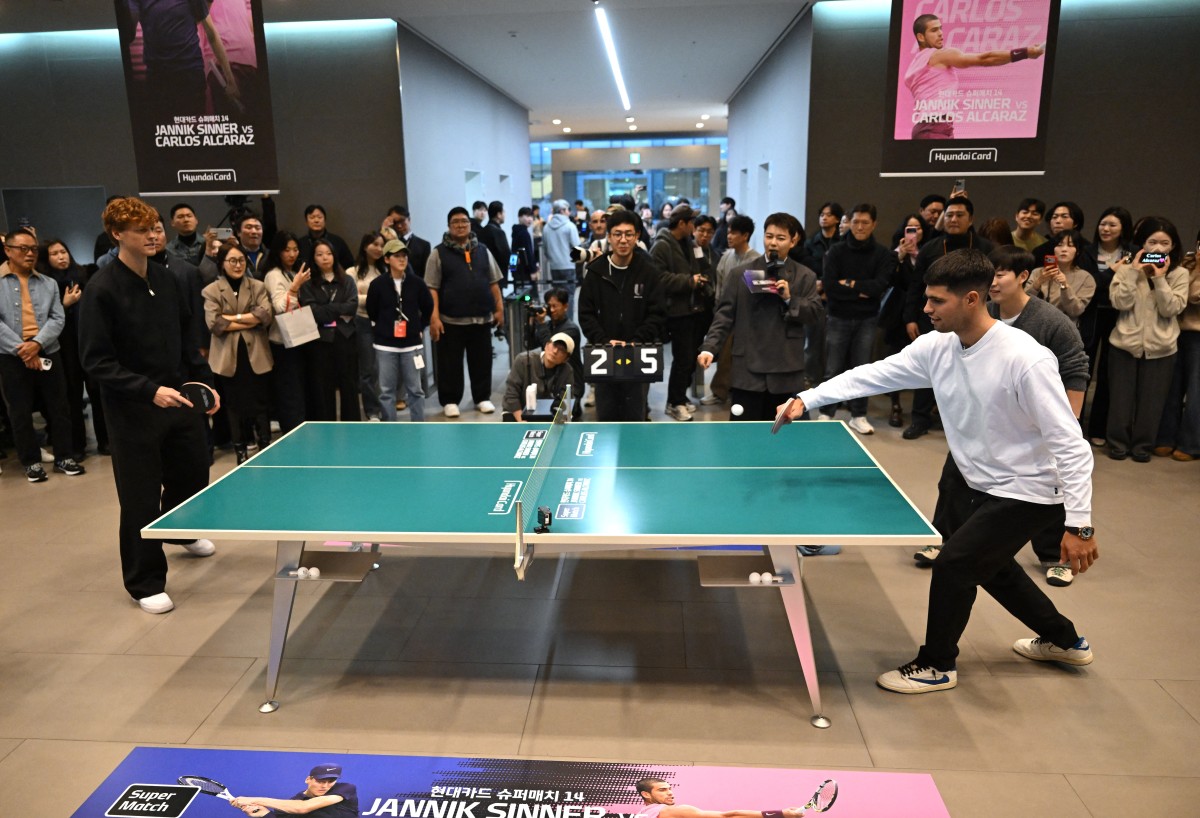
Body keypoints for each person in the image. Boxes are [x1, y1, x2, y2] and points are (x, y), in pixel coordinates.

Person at [779, 248, 1098, 693]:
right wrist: (807, 399)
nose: (925, 308)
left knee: (954, 565)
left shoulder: (1025, 358)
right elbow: (873, 375)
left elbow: (1071, 445)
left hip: (1030, 489)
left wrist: (1079, 526)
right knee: (993, 566)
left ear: (972, 299)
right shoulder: (938, 345)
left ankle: (937, 664)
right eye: (925, 299)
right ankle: (1066, 640)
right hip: (977, 481)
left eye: (936, 301)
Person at [914, 247, 1091, 587]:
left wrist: (1066, 420)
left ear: (1023, 277)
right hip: (986, 428)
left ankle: (1054, 555)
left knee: (1043, 492)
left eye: (1000, 274)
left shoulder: (1048, 323)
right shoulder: (979, 315)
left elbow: (1075, 368)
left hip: (1033, 430)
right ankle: (947, 540)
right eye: (989, 275)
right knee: (954, 483)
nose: (992, 282)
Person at [79, 197, 219, 615]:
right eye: (144, 230)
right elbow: (96, 361)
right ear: (118, 235)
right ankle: (144, 581)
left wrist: (205, 385)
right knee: (139, 496)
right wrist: (146, 390)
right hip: (133, 408)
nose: (155, 234)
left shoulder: (168, 277)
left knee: (194, 470)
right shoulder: (101, 289)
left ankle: (180, 530)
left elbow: (187, 338)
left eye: (156, 227)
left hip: (178, 397)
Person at [697, 212, 822, 422]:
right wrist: (710, 347)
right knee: (744, 438)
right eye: (768, 236)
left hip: (787, 370)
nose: (773, 243)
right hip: (748, 370)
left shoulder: (805, 276)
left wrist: (790, 299)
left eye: (780, 238)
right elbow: (724, 315)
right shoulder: (740, 274)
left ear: (794, 241)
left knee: (789, 438)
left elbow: (815, 314)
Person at [900, 197, 993, 439]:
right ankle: (920, 419)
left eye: (959, 215)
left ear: (971, 219)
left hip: (972, 323)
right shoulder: (931, 247)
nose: (953, 219)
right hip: (935, 320)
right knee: (929, 368)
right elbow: (914, 287)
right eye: (949, 215)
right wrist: (910, 317)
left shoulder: (985, 247)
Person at [1106, 217, 1190, 462]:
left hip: (1161, 347)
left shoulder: (1180, 273)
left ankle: (1143, 447)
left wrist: (1159, 278)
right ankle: (1117, 444)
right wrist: (1133, 272)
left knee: (1152, 404)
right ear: (1142, 245)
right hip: (1124, 343)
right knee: (1120, 402)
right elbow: (1120, 303)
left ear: (1173, 246)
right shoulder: (1126, 270)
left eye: (1164, 243)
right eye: (1152, 242)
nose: (1158, 249)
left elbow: (1171, 309)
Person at [1, 228, 81, 482]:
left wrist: (36, 343)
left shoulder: (48, 283)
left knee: (59, 407)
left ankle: (64, 457)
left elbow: (57, 318)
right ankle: (31, 461)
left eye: (34, 249)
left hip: (47, 351)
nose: (29, 254)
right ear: (8, 251)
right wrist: (22, 349)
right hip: (12, 356)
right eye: (23, 249)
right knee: (20, 410)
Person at [578, 209, 666, 422]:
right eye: (617, 234)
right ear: (609, 237)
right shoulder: (596, 271)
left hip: (637, 352)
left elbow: (657, 313)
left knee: (635, 414)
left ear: (637, 237)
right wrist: (604, 341)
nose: (623, 240)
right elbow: (586, 313)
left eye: (629, 234)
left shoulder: (649, 272)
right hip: (603, 353)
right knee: (606, 414)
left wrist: (636, 341)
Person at [904, 13, 1045, 139]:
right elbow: (985, 59)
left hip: (930, 128)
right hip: (933, 128)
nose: (940, 33)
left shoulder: (915, 65)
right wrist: (1026, 53)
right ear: (920, 37)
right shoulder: (939, 55)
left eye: (940, 28)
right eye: (934, 30)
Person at [820, 203, 894, 434]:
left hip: (867, 319)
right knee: (833, 368)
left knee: (862, 369)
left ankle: (858, 414)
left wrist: (850, 284)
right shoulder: (836, 251)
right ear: (849, 223)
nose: (860, 227)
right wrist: (861, 290)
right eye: (855, 222)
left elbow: (879, 286)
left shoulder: (883, 254)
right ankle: (826, 412)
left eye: (865, 222)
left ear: (874, 224)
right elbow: (830, 287)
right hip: (838, 316)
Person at [425, 207, 504, 417]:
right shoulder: (438, 253)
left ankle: (482, 397)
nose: (460, 225)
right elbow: (431, 288)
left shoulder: (483, 250)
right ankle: (450, 400)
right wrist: (434, 318)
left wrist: (499, 309)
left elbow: (494, 282)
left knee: (482, 360)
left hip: (481, 318)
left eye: (464, 221)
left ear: (470, 225)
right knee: (450, 364)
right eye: (455, 222)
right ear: (449, 226)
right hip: (450, 320)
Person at [202, 244, 273, 464]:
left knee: (261, 402)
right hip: (228, 357)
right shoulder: (211, 290)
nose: (238, 265)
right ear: (222, 263)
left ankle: (265, 444)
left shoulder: (258, 286)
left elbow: (264, 316)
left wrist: (232, 318)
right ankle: (240, 449)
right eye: (232, 260)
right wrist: (247, 318)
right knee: (234, 406)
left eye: (241, 260)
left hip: (256, 354)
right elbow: (215, 324)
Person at [1083, 206, 1135, 447]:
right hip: (1090, 317)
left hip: (1120, 317)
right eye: (1103, 224)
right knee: (1083, 373)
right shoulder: (1087, 252)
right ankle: (1075, 426)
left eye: (1112, 225)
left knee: (1107, 375)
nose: (1106, 229)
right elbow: (1088, 286)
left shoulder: (1133, 253)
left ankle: (1099, 428)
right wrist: (1112, 273)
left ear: (1123, 228)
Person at [651, 204, 708, 421]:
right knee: (682, 358)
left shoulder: (687, 243)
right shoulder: (661, 246)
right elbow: (658, 279)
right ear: (682, 223)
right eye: (692, 222)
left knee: (688, 358)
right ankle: (673, 403)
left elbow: (697, 266)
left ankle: (680, 397)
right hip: (675, 311)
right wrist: (689, 281)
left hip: (691, 308)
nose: (695, 226)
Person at [366, 239, 433, 422]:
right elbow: (372, 310)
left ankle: (419, 425)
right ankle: (390, 427)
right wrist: (383, 326)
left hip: (411, 344)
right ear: (387, 259)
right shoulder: (377, 284)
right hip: (385, 345)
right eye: (397, 256)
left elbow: (428, 306)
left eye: (404, 256)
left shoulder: (417, 283)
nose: (402, 259)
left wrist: (420, 326)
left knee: (415, 390)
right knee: (386, 391)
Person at [36, 237, 91, 462]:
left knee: (98, 394)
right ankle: (77, 446)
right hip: (64, 349)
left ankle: (106, 440)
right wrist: (65, 304)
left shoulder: (83, 276)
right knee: (72, 398)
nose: (62, 256)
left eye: (64, 251)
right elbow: (43, 319)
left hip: (87, 344)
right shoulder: (45, 284)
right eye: (55, 253)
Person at [299, 238, 359, 421]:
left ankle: (353, 426)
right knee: (324, 389)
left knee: (349, 386)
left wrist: (327, 309)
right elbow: (312, 312)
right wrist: (337, 309)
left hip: (345, 337)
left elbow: (352, 306)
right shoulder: (308, 284)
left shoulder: (347, 280)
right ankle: (327, 427)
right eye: (319, 254)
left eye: (328, 253)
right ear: (313, 259)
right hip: (320, 340)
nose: (325, 258)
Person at [1154, 236, 1200, 461]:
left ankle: (1190, 444)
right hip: (1177, 332)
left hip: (1198, 336)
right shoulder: (1187, 263)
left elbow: (1193, 296)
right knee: (1171, 388)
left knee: (1195, 392)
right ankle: (1164, 438)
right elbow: (1175, 295)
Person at [262, 231, 310, 433]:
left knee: (299, 389)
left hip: (299, 338)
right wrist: (295, 286)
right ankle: (292, 431)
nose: (292, 254)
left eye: (295, 249)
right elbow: (281, 307)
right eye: (286, 250)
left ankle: (300, 425)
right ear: (277, 252)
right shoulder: (274, 274)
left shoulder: (291, 271)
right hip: (281, 342)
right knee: (289, 391)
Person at [347, 232, 387, 421]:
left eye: (381, 245)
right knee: (368, 370)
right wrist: (375, 297)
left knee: (386, 368)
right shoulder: (352, 272)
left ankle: (387, 407)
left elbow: (392, 296)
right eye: (375, 244)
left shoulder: (386, 270)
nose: (379, 249)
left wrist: (369, 296)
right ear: (365, 246)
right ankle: (372, 411)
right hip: (362, 322)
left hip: (385, 322)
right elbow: (352, 299)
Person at [231, 763, 358, 818]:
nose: (325, 786)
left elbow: (303, 807)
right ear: (308, 779)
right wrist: (264, 814)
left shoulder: (345, 789)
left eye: (330, 781)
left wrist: (256, 799)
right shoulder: (290, 805)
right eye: (320, 781)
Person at [1026, 229, 1096, 327]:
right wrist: (1038, 283)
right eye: (1059, 245)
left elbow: (1075, 311)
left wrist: (1065, 286)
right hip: (1035, 326)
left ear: (1078, 251)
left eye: (1070, 245)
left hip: (1065, 329)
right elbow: (1024, 303)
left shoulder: (1086, 278)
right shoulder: (1038, 272)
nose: (1064, 249)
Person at [633, 778, 804, 818]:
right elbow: (730, 815)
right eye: (662, 790)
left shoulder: (643, 813)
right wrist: (781, 813)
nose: (670, 792)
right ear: (646, 794)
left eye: (670, 789)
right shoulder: (671, 811)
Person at [532, 287, 584, 418]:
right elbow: (529, 344)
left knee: (566, 416)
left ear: (566, 306)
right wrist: (532, 324)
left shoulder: (571, 329)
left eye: (555, 306)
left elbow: (549, 347)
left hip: (571, 384)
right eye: (549, 306)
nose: (552, 310)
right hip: (554, 383)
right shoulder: (548, 326)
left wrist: (542, 324)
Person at [502, 332, 575, 421]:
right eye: (554, 345)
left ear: (566, 359)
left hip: (547, 413)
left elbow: (566, 401)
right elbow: (511, 395)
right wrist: (521, 421)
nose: (555, 351)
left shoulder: (567, 371)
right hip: (516, 412)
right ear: (546, 345)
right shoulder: (522, 360)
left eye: (561, 350)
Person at [542, 199, 579, 299]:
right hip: (568, 266)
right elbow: (577, 247)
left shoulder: (546, 228)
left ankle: (557, 315)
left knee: (557, 296)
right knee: (569, 295)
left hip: (554, 267)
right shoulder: (570, 226)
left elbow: (545, 249)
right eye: (568, 209)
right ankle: (568, 315)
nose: (569, 212)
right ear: (562, 210)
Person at [298, 204, 354, 270]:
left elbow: (350, 265)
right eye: (312, 217)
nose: (316, 220)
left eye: (319, 217)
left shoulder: (337, 241)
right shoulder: (300, 244)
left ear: (325, 220)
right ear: (306, 222)